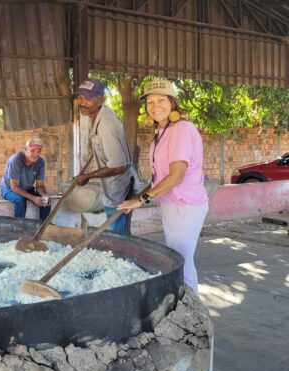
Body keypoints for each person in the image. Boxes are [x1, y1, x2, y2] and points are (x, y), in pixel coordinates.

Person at [117, 79, 209, 294]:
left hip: (185, 205)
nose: (155, 105)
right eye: (150, 102)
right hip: (171, 203)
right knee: (177, 259)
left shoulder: (182, 129)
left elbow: (176, 176)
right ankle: (188, 306)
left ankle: (191, 311)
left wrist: (141, 200)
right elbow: (158, 179)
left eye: (161, 99)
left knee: (180, 262)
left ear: (173, 103)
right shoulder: (162, 132)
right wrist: (136, 200)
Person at [73, 78, 138, 236]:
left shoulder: (106, 125)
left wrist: (87, 176)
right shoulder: (97, 114)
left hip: (120, 190)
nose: (82, 102)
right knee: (117, 232)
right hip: (113, 188)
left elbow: (119, 166)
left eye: (87, 98)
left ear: (101, 99)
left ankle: (122, 257)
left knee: (119, 237)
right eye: (80, 97)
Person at [0, 137, 52, 221]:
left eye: (38, 151)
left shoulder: (40, 162)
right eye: (32, 150)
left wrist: (44, 195)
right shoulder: (16, 160)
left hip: (27, 188)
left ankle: (44, 226)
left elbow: (40, 186)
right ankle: (19, 227)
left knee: (46, 201)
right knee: (20, 200)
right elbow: (15, 187)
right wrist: (34, 198)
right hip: (9, 188)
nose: (35, 154)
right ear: (25, 149)